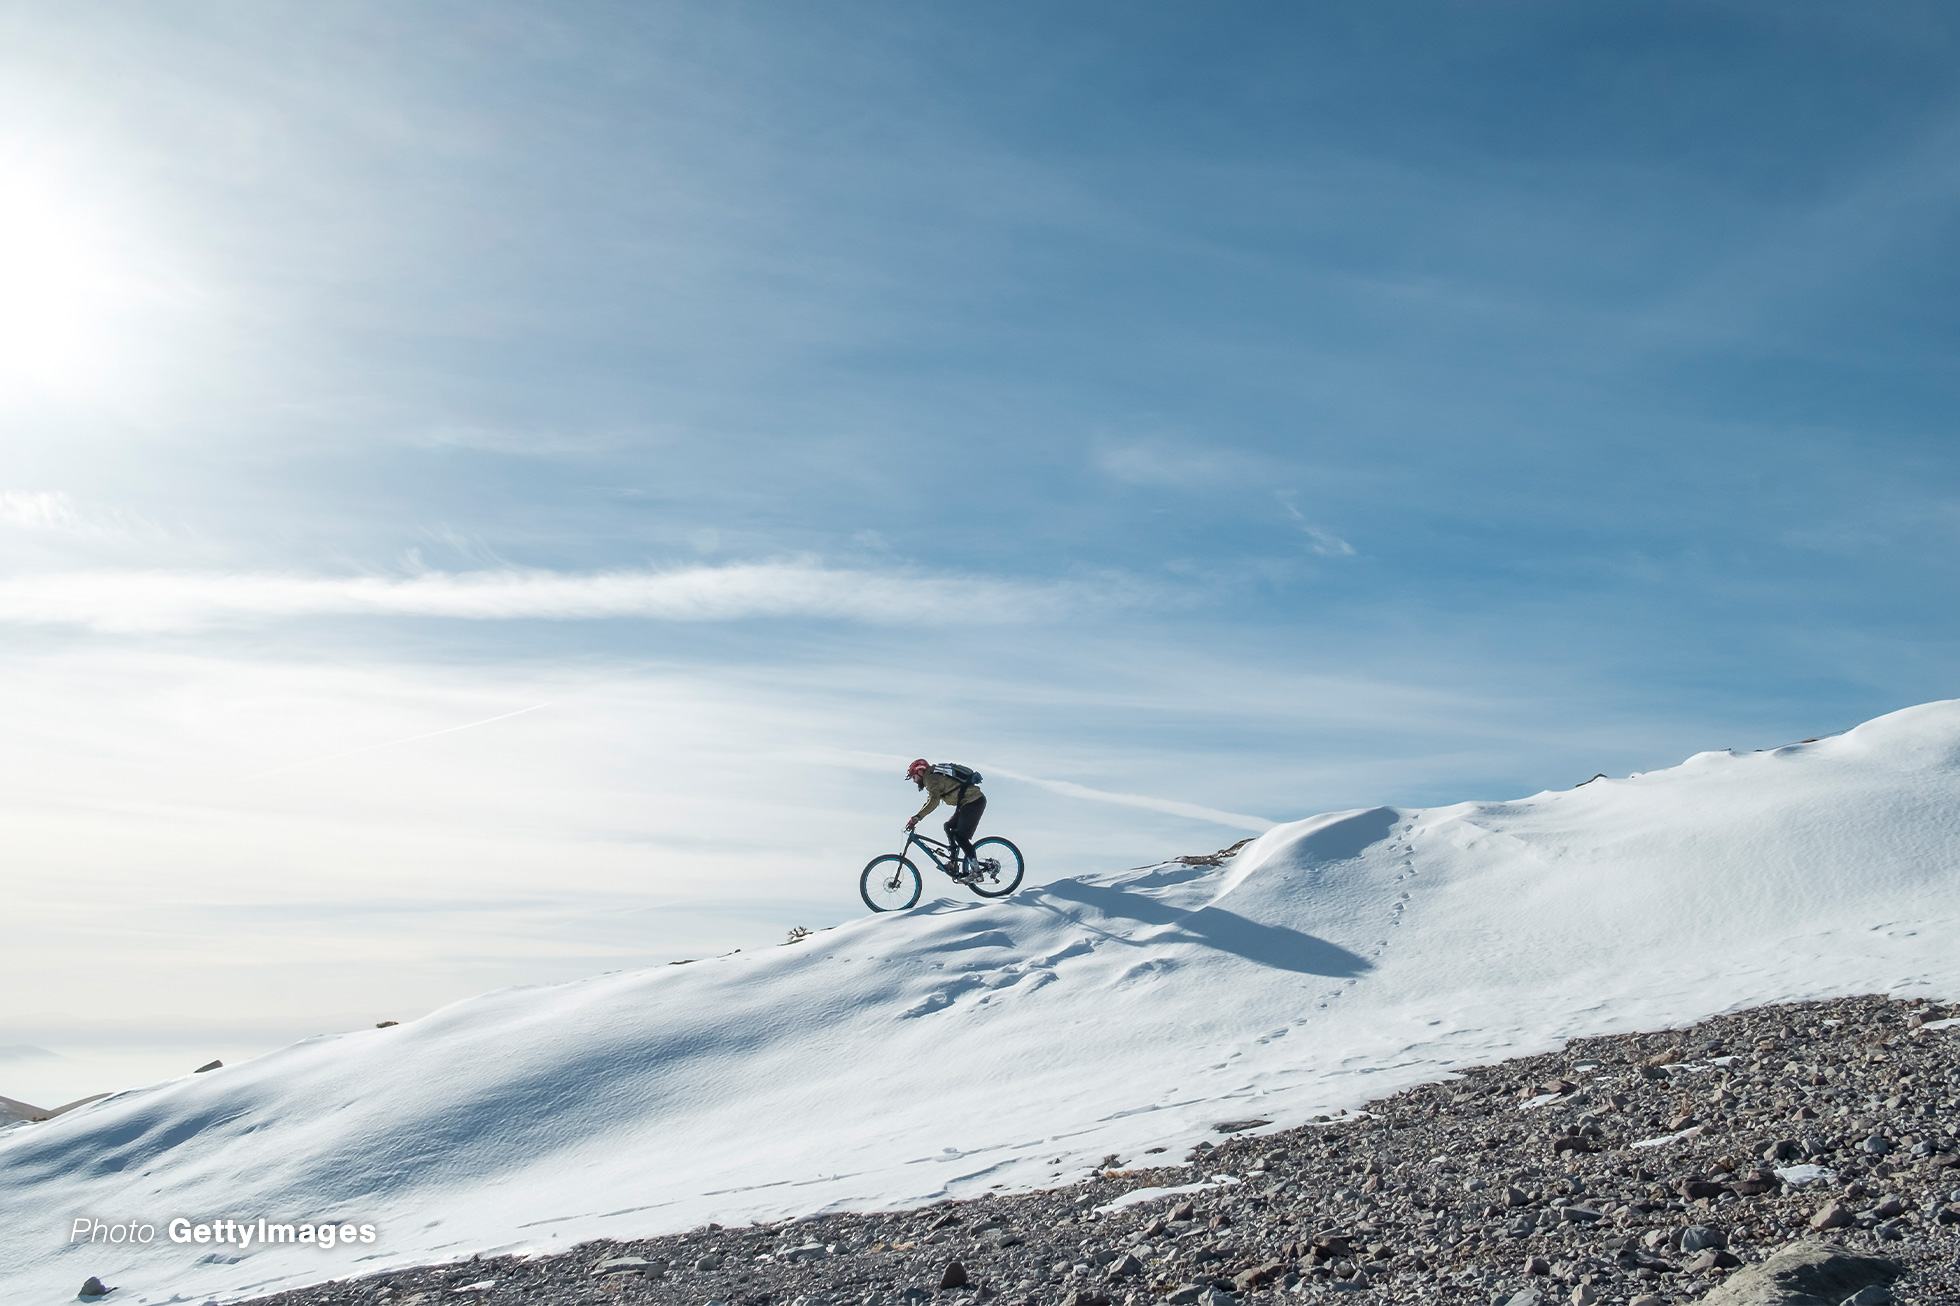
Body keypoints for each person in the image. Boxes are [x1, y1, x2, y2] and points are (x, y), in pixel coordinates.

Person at [905, 758, 985, 876]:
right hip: (966, 803)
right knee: (948, 826)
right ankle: (953, 863)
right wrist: (917, 816)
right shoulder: (932, 777)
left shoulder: (932, 778)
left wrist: (917, 817)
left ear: (920, 771)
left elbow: (934, 801)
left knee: (961, 837)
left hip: (973, 802)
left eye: (913, 776)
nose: (914, 780)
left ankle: (976, 871)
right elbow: (931, 800)